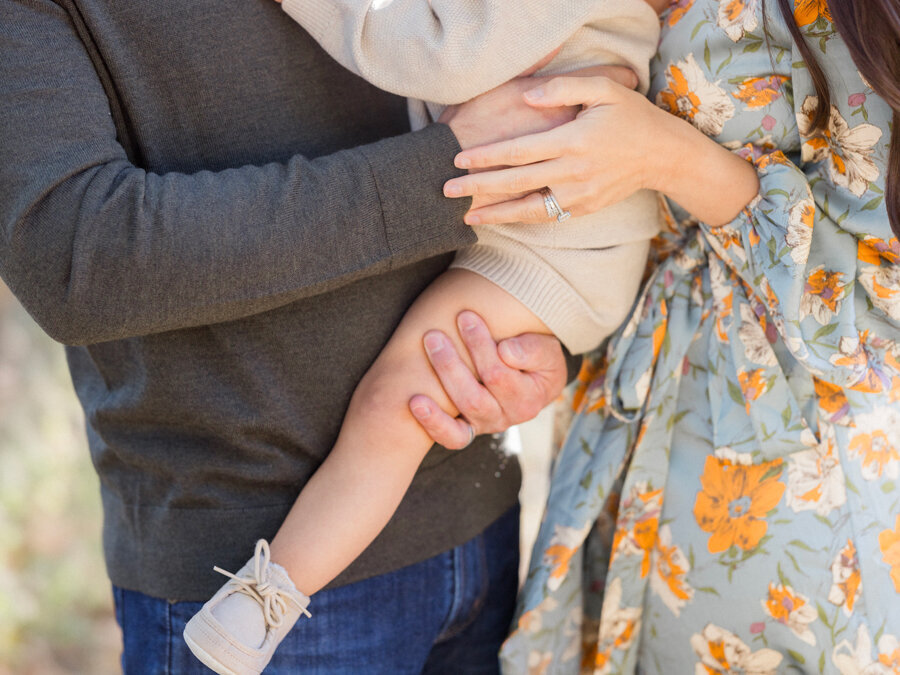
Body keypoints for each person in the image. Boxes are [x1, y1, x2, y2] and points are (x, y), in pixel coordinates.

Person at [0, 2, 610, 672]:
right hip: (242, 563)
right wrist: (449, 173)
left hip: (478, 514)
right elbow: (81, 261)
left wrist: (534, 326)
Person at [182, 1, 663, 672]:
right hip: (520, 213)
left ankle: (273, 593)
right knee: (402, 400)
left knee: (397, 404)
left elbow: (441, 53)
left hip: (558, 248)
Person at [437, 0, 900, 671]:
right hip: (622, 455)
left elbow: (877, 309)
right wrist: (555, 336)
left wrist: (667, 157)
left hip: (804, 517)